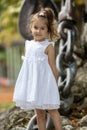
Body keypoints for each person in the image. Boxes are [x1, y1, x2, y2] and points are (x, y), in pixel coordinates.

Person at [13, 7, 62, 130]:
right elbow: (28, 68)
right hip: (34, 86)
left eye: (42, 28)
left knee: (52, 110)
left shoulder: (49, 46)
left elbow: (52, 66)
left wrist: (55, 84)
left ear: (48, 30)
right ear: (31, 27)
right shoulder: (28, 45)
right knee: (39, 113)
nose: (38, 31)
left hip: (46, 85)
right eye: (36, 27)